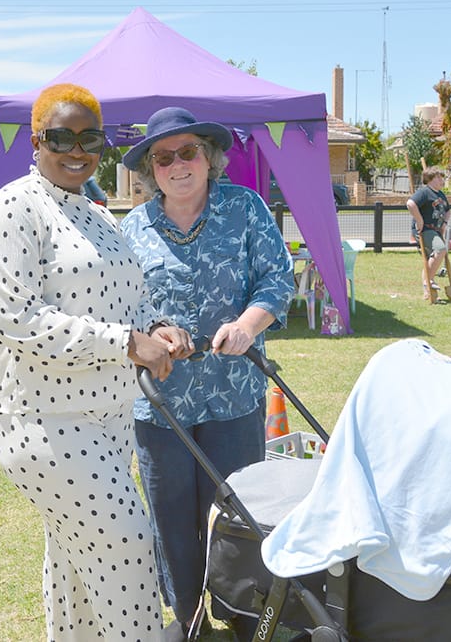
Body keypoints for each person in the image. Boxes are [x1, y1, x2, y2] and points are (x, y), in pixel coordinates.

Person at [0, 83, 183, 641]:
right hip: (42, 419)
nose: (76, 149)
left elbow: (127, 295)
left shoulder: (96, 213)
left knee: (77, 563)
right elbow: (15, 319)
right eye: (61, 136)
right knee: (128, 545)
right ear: (36, 140)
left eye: (91, 138)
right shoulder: (11, 208)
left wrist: (153, 325)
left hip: (108, 417)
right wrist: (126, 343)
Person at [120, 106, 295, 634]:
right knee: (171, 519)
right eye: (163, 157)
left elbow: (277, 278)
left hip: (233, 397)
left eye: (187, 151)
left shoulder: (246, 208)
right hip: (162, 406)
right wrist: (154, 333)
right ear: (151, 169)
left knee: (240, 515)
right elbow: (122, 307)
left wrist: (247, 324)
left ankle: (244, 615)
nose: (177, 165)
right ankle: (188, 619)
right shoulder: (132, 228)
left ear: (209, 156)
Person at [406, 167, 451, 297]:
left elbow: (448, 211)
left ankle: (427, 291)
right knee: (440, 250)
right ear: (430, 179)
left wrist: (445, 223)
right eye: (438, 177)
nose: (441, 180)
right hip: (426, 229)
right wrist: (419, 220)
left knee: (429, 259)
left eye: (441, 177)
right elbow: (410, 203)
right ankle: (428, 281)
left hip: (436, 230)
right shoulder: (425, 192)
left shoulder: (440, 194)